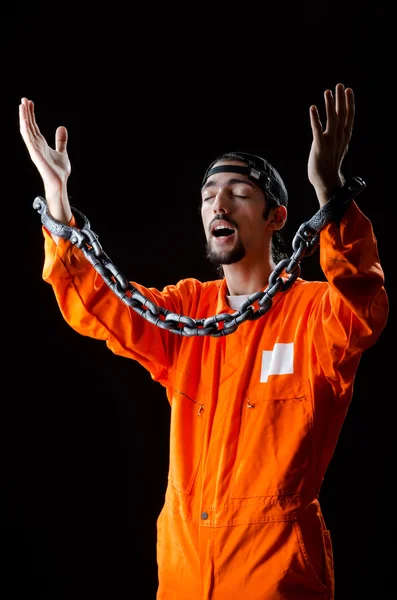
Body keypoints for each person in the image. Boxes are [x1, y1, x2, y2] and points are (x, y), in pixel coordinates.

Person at [19, 83, 388, 600]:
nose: (219, 203)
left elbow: (362, 304)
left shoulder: (313, 314)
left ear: (276, 217)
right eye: (209, 195)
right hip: (184, 576)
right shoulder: (187, 311)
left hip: (275, 581)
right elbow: (99, 306)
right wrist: (58, 202)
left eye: (239, 193)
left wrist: (331, 193)